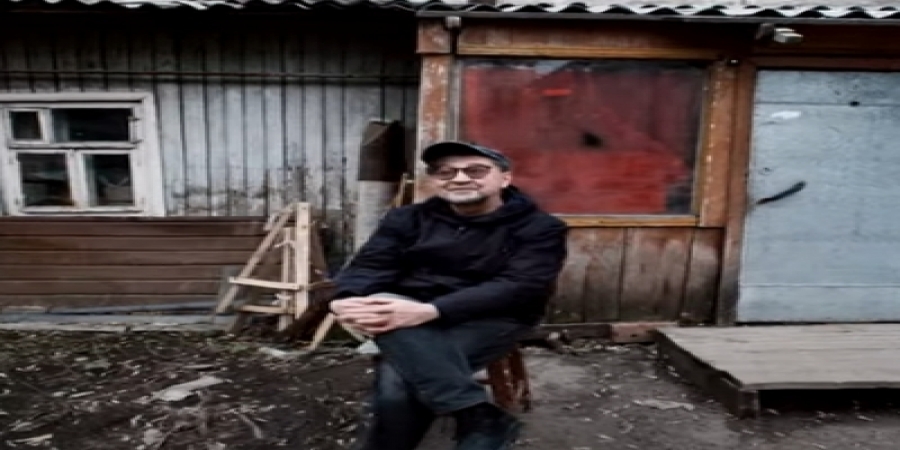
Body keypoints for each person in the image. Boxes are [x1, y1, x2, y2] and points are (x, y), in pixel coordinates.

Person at [329, 141, 568, 450]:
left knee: (399, 380)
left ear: (504, 179)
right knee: (385, 318)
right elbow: (370, 266)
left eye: (476, 171)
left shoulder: (540, 228)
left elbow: (519, 286)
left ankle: (473, 418)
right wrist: (345, 297)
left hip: (493, 316)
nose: (459, 178)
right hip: (408, 309)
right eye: (445, 172)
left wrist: (431, 311)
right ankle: (479, 416)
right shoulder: (407, 219)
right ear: (434, 180)